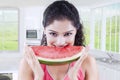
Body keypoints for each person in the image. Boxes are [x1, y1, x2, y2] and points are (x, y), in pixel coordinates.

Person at [18, 0, 99, 80]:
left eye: (68, 34)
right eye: (53, 34)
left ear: (76, 32)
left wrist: (73, 78)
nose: (60, 42)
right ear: (45, 31)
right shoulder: (28, 63)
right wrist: (39, 77)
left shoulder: (88, 63)